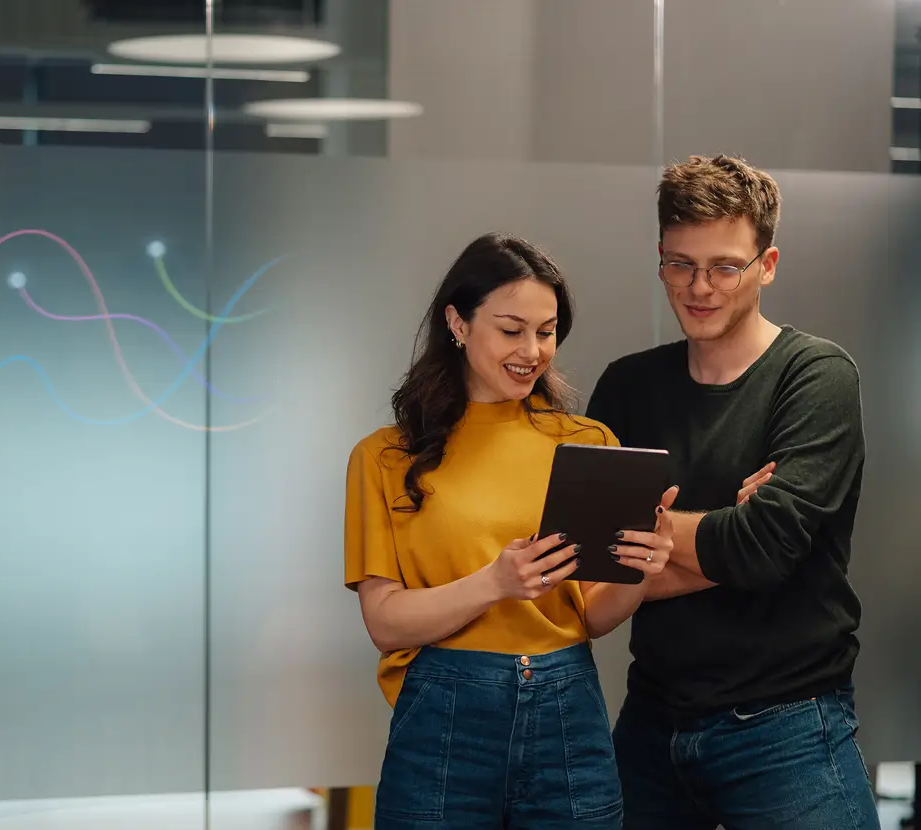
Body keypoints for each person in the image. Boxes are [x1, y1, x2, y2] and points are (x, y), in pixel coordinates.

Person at [344, 232, 678, 830]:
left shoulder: (587, 443)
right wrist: (495, 582)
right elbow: (384, 621)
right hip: (444, 718)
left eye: (546, 331)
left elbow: (590, 615)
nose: (532, 350)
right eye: (511, 329)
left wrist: (641, 571)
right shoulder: (386, 457)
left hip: (567, 708)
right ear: (458, 322)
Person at [585, 154, 878, 829]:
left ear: (766, 265)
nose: (699, 287)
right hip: (651, 724)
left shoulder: (816, 377)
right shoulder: (628, 387)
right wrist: (734, 538)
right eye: (679, 263)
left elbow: (768, 544)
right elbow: (588, 557)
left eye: (724, 266)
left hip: (788, 728)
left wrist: (654, 540)